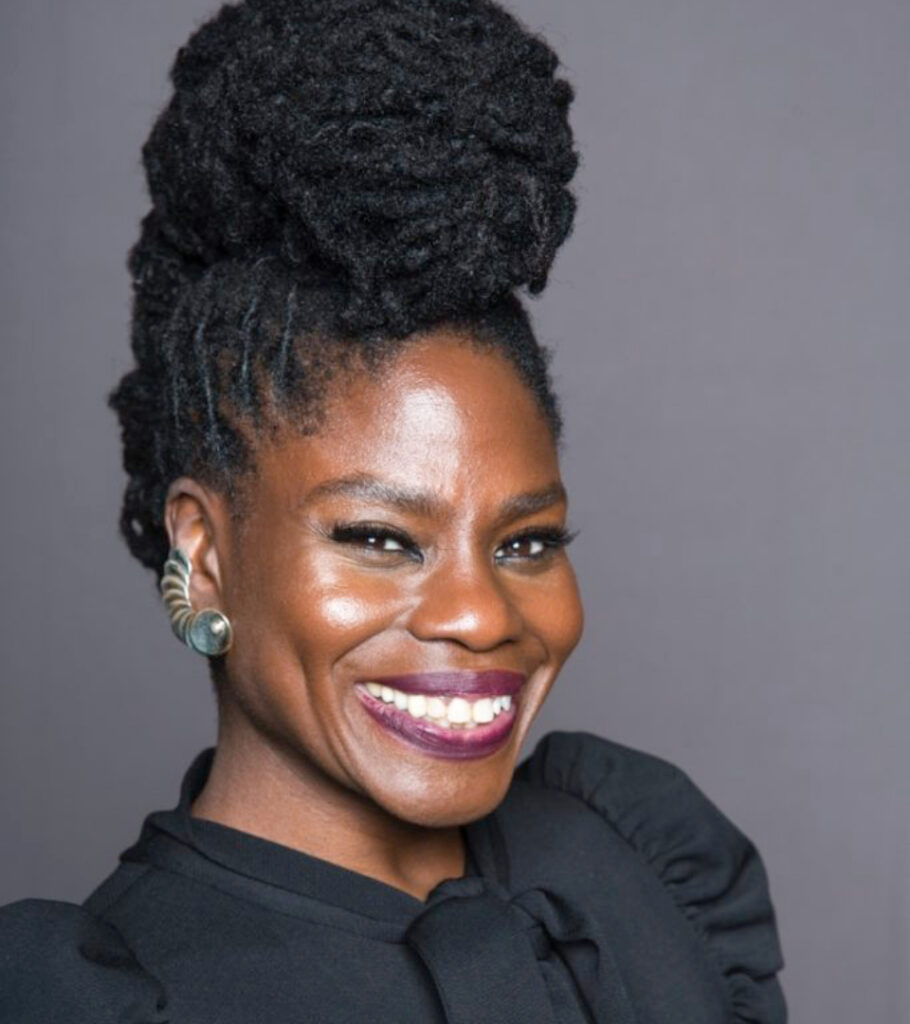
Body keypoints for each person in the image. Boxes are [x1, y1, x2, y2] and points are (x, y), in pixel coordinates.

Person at [0, 0, 787, 1020]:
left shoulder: (636, 866)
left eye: (526, 541)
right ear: (205, 553)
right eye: (380, 538)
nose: (480, 613)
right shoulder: (120, 996)